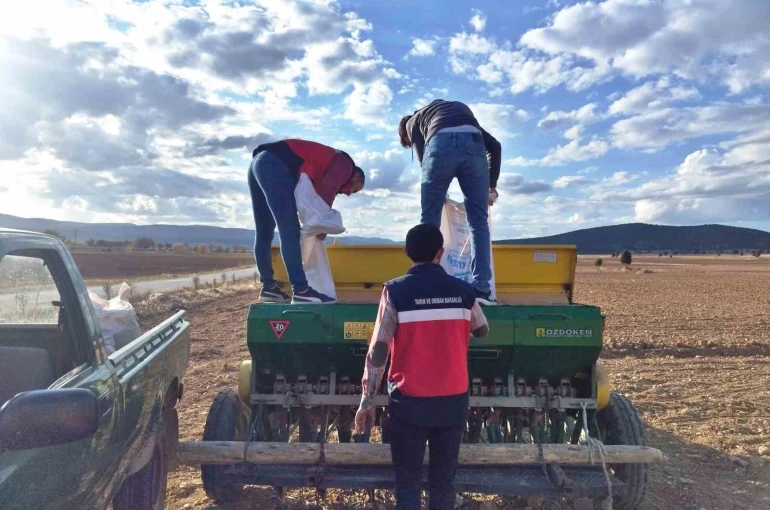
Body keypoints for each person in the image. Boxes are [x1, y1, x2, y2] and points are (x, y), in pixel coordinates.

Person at [354, 224, 489, 510]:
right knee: (443, 483)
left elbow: (379, 350)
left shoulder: (395, 292)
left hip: (409, 405)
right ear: (440, 253)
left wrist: (367, 401)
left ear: (406, 252)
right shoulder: (465, 291)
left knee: (407, 482)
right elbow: (482, 329)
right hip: (453, 403)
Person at [399, 100, 502, 305]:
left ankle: (425, 286)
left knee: (429, 222)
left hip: (439, 146)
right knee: (478, 223)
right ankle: (482, 290)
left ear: (404, 132)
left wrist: (440, 193)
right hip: (474, 146)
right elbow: (496, 146)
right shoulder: (458, 115)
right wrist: (491, 186)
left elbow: (424, 161)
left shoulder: (412, 122)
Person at [248, 139, 365, 304]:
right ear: (356, 177)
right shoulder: (346, 165)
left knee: (263, 231)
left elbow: (308, 200)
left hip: (258, 163)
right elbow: (326, 192)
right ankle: (302, 290)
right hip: (275, 164)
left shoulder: (323, 167)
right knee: (289, 229)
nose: (348, 194)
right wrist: (322, 225)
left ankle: (269, 287)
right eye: (354, 190)